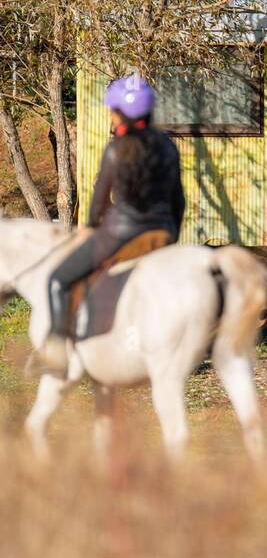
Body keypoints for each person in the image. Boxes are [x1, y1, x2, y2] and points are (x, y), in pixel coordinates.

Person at [41, 75, 185, 370]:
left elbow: (98, 199)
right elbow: (178, 200)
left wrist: (91, 226)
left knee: (58, 280)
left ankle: (56, 356)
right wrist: (171, 235)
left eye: (113, 109)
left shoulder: (117, 148)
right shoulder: (168, 146)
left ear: (120, 112)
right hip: (163, 232)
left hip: (123, 233)